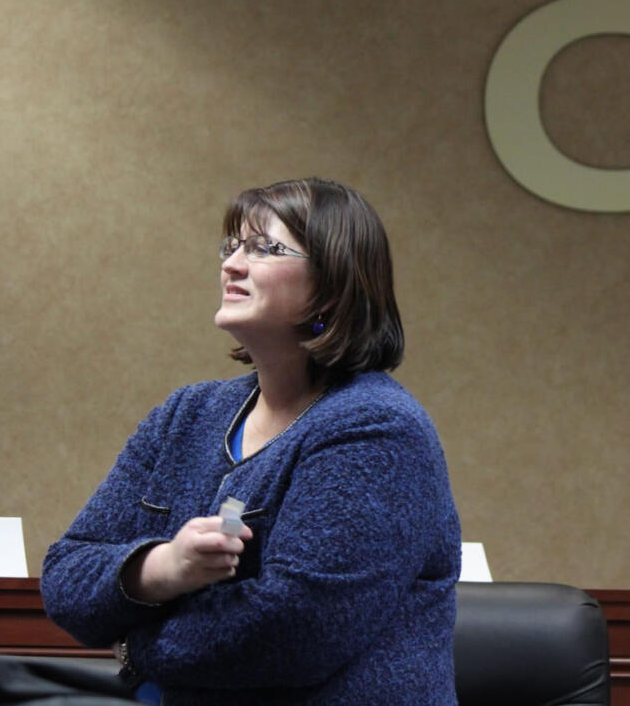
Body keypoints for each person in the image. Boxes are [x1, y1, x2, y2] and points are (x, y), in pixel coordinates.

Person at [41, 178, 461, 706]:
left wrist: (134, 644)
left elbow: (297, 629)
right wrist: (164, 568)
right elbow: (65, 575)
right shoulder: (187, 414)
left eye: (264, 249)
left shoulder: (376, 428)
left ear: (334, 284)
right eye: (231, 246)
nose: (232, 265)